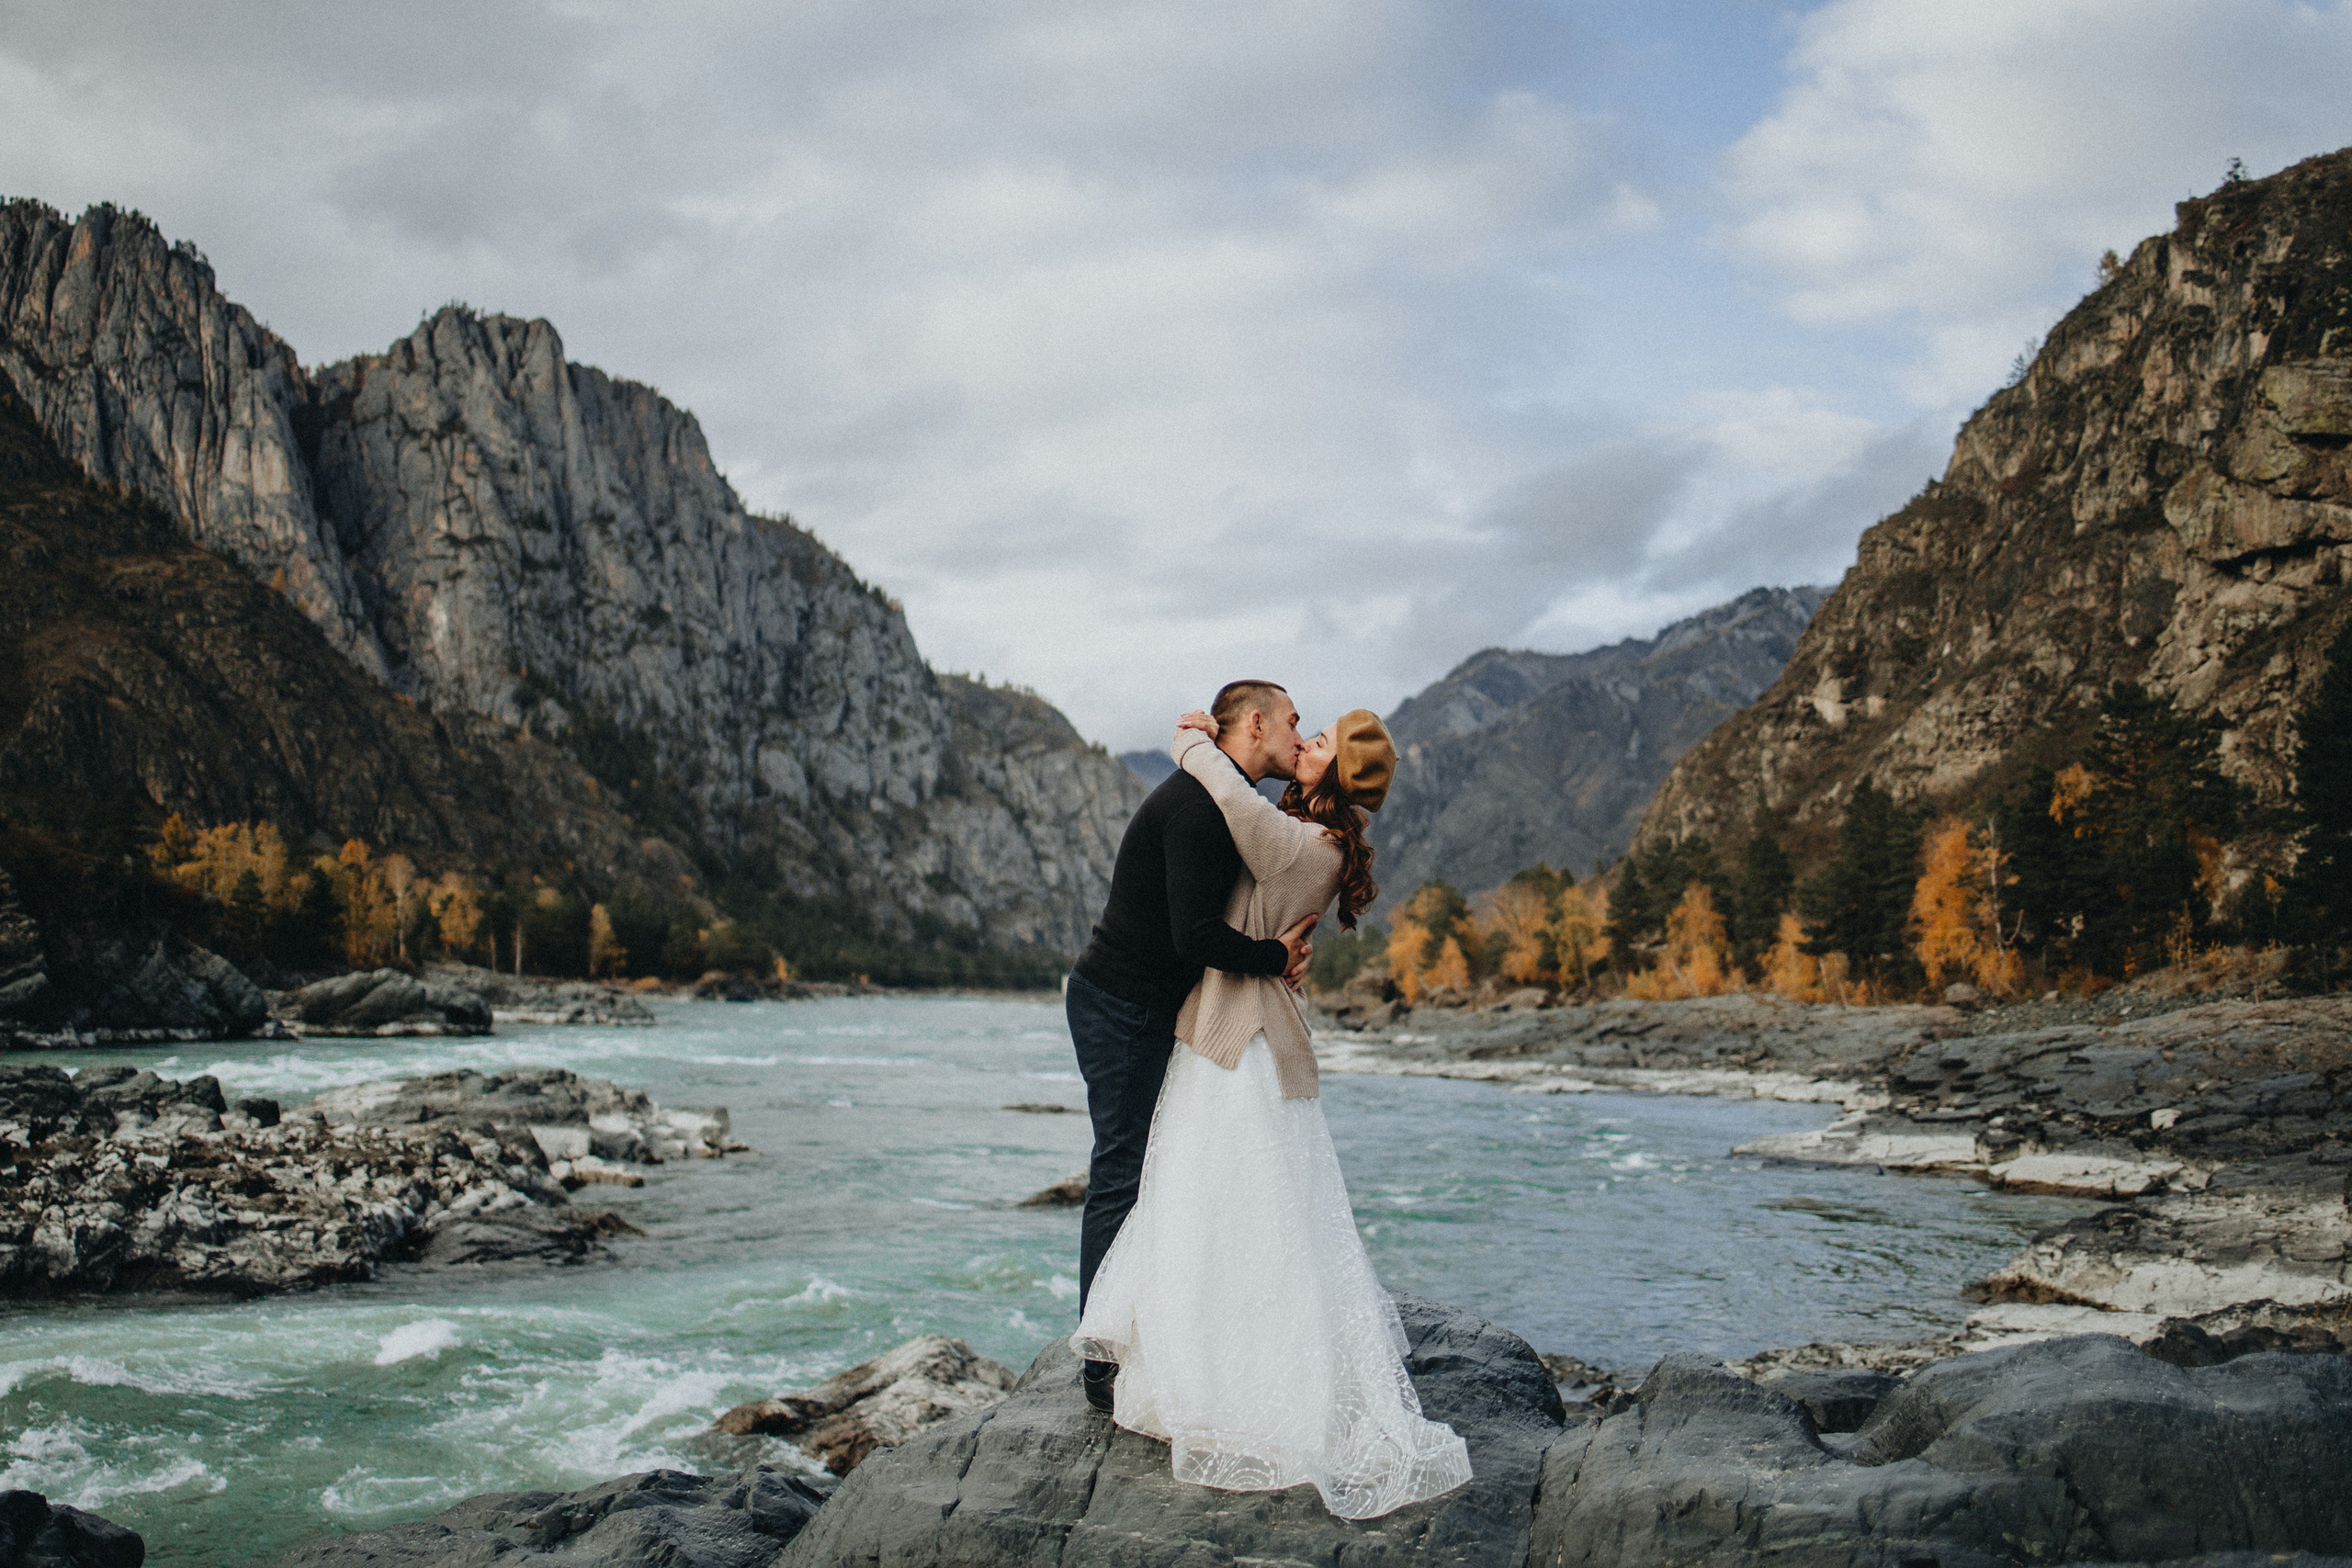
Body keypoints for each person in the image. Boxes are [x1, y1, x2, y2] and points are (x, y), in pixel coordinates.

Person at [1074, 703, 1474, 1521]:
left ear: (1336, 775)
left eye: (1317, 741)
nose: (1305, 742)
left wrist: (1192, 744)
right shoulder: (1309, 839)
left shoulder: (1300, 840)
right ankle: (1184, 1350)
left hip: (1240, 1045)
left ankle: (1216, 1367)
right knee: (1215, 1202)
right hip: (1228, 1034)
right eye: (1301, 729)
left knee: (1221, 1202)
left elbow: (1233, 799)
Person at [1065, 680, 1319, 1416]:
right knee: (1121, 1174)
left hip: (1140, 1005)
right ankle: (1102, 1366)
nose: (1300, 736)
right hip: (1121, 1006)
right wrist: (1274, 957)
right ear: (1257, 722)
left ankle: (1142, 1338)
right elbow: (1195, 937)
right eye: (1294, 722)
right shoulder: (1201, 807)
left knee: (1147, 1171)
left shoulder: (1225, 799)